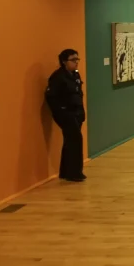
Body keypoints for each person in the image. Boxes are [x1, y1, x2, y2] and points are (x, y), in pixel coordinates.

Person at [45, 49, 86, 182]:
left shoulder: (75, 74)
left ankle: (65, 172)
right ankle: (75, 172)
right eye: (73, 60)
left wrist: (81, 112)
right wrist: (62, 111)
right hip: (66, 114)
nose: (76, 62)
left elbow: (78, 93)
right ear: (64, 61)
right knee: (75, 140)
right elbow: (51, 97)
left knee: (69, 142)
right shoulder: (58, 77)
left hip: (76, 112)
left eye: (77, 59)